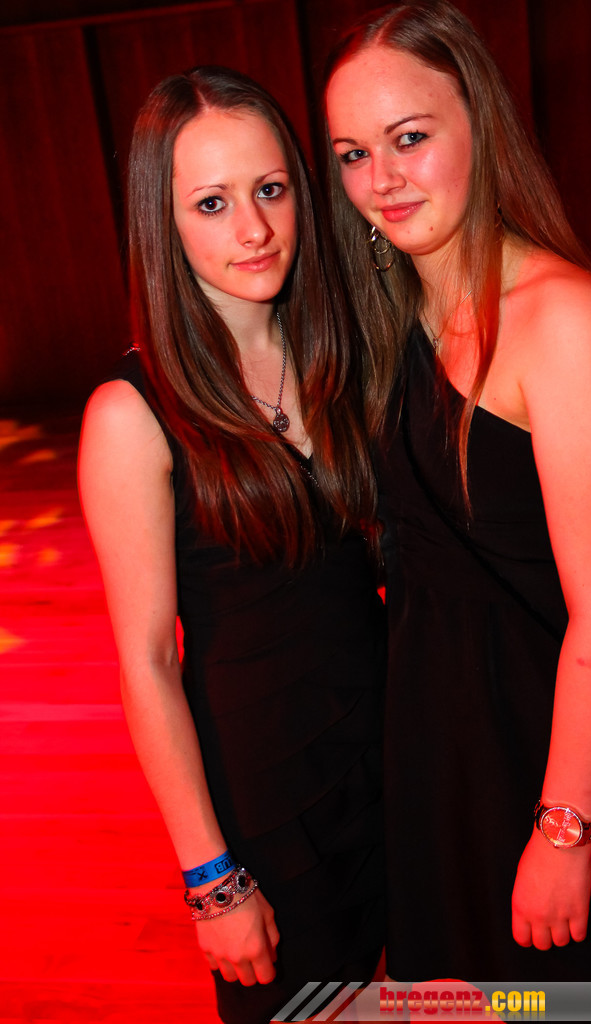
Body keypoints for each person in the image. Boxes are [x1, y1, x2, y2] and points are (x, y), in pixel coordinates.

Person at [324, 0, 591, 982]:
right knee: (477, 998)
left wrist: (564, 830)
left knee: (578, 1000)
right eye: (352, 154)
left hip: (556, 744)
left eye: (408, 138)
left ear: (479, 124)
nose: (380, 178)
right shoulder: (390, 313)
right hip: (446, 739)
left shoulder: (561, 320)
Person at [79, 66, 385, 1023]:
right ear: (162, 222)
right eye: (212, 203)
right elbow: (145, 663)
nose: (253, 229)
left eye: (270, 189)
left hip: (390, 749)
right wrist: (212, 881)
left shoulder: (335, 352)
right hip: (267, 802)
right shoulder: (130, 415)